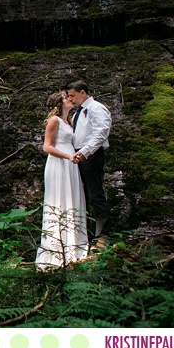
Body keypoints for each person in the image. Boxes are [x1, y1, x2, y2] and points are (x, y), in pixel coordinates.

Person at [35, 91, 88, 269]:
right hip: (59, 164)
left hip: (71, 164)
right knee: (59, 200)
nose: (70, 99)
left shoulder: (69, 121)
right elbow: (47, 146)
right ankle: (55, 250)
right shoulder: (54, 120)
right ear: (59, 103)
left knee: (72, 198)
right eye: (66, 98)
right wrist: (67, 156)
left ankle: (74, 245)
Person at [66, 80, 112, 248]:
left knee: (95, 192)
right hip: (78, 155)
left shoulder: (96, 108)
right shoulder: (79, 112)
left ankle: (103, 234)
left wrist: (85, 152)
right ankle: (85, 233)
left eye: (72, 95)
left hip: (91, 155)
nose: (71, 99)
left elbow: (101, 133)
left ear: (83, 92)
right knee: (82, 194)